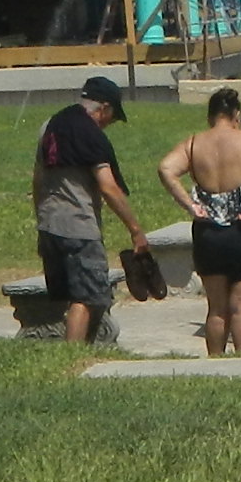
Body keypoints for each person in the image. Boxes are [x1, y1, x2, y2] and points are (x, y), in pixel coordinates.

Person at [159, 85, 241, 356]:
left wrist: (190, 205)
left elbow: (166, 168)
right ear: (236, 114)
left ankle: (214, 362)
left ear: (210, 116)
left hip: (209, 233)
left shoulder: (193, 143)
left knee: (217, 309)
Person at [33, 76, 150, 344]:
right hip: (79, 227)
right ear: (103, 108)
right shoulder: (90, 133)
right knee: (86, 299)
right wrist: (136, 231)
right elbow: (108, 187)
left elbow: (38, 178)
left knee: (70, 297)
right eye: (112, 117)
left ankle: (74, 350)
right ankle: (74, 357)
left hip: (49, 225)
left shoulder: (49, 126)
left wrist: (40, 217)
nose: (109, 124)